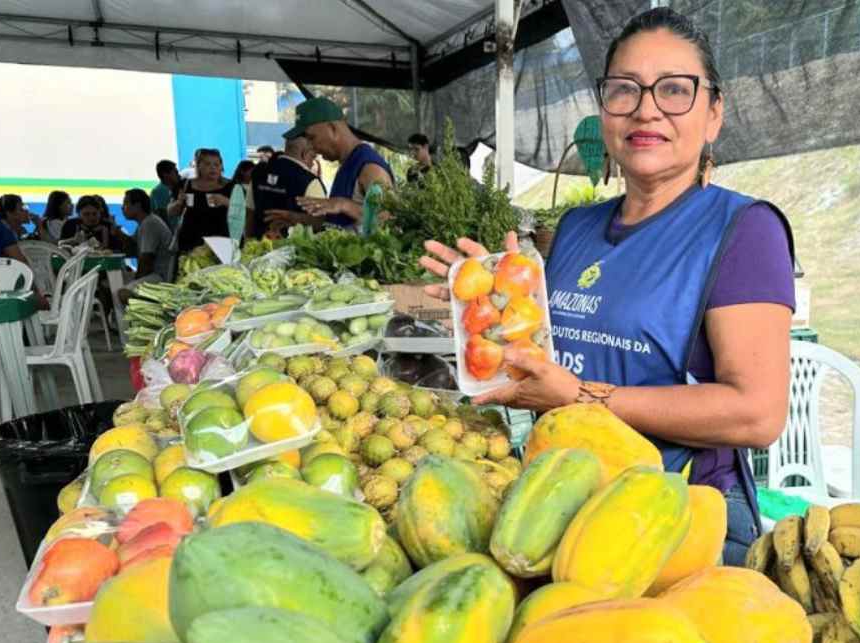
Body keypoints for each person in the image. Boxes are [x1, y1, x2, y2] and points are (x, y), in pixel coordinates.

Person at [420, 8, 794, 563]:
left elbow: (757, 413)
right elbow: (549, 360)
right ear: (604, 109)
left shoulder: (743, 230)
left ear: (714, 114)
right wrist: (493, 306)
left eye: (674, 90)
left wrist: (580, 396)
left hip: (671, 517)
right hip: (558, 499)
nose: (646, 109)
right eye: (625, 90)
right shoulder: (576, 228)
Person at [285, 97, 394, 229]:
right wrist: (296, 218)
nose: (310, 147)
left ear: (332, 128)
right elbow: (338, 223)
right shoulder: (347, 162)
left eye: (312, 138)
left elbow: (386, 218)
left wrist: (344, 205)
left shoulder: (370, 167)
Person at [247, 136, 327, 239]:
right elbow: (320, 222)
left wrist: (247, 242)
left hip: (258, 248)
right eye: (312, 157)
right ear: (305, 153)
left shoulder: (258, 174)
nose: (312, 164)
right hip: (294, 251)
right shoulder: (310, 181)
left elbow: (250, 213)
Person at [167, 148, 235, 253]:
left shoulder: (231, 187)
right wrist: (178, 203)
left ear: (221, 167)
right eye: (207, 164)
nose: (213, 168)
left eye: (217, 164)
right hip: (190, 242)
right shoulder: (185, 185)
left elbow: (243, 212)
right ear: (198, 165)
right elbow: (170, 211)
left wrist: (226, 201)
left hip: (221, 243)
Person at [122, 188, 175, 284]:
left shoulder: (149, 224)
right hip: (151, 273)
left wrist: (135, 281)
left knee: (121, 292)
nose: (122, 208)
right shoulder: (144, 223)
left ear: (137, 206)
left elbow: (146, 259)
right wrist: (116, 231)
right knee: (111, 282)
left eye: (125, 204)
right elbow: (131, 248)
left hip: (159, 276)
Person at [150, 160, 182, 231]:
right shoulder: (159, 191)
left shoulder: (175, 189)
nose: (178, 175)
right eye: (175, 172)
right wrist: (172, 236)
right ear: (166, 175)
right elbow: (163, 216)